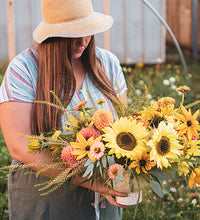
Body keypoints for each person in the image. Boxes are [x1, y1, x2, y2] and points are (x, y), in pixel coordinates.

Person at [0, 0, 128, 219]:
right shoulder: (25, 69)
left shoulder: (107, 63)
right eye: (72, 34)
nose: (82, 41)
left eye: (87, 31)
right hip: (46, 199)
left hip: (105, 199)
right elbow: (20, 146)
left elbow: (125, 126)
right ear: (53, 35)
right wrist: (90, 181)